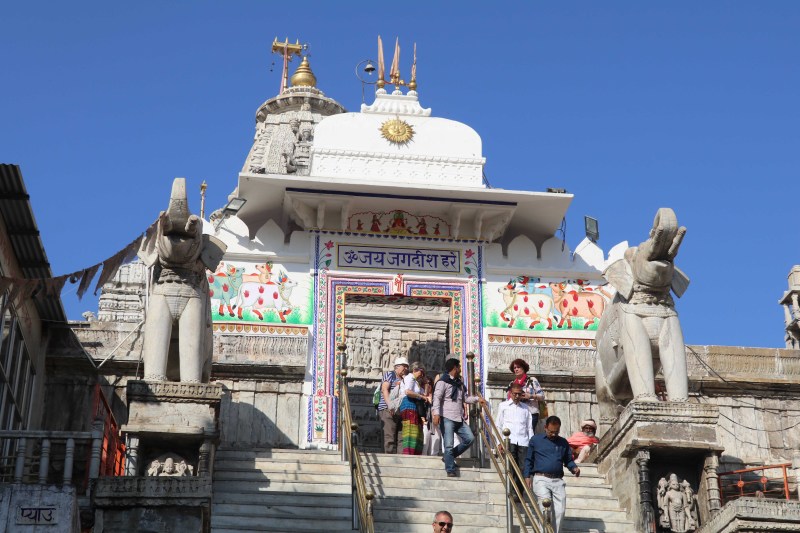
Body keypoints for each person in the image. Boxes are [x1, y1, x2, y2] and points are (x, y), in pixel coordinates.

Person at [524, 415, 580, 533]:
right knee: (546, 508)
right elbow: (529, 459)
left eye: (556, 432)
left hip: (558, 481)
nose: (554, 434)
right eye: (551, 432)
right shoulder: (535, 440)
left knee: (560, 511)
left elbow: (568, 460)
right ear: (545, 427)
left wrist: (574, 468)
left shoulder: (563, 442)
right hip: (541, 478)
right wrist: (527, 476)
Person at [431, 356, 486, 477]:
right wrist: (436, 414)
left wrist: (477, 399)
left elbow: (465, 398)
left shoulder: (459, 383)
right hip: (446, 417)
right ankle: (450, 468)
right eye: (459, 366)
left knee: (470, 438)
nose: (460, 368)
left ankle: (448, 457)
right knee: (449, 444)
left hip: (458, 417)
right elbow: (437, 398)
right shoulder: (443, 381)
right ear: (455, 368)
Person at [496, 383, 533, 499]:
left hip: (523, 441)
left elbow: (529, 427)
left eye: (519, 394)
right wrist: (499, 442)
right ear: (510, 393)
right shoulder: (503, 406)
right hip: (509, 440)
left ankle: (519, 492)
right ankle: (512, 491)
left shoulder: (526, 408)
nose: (516, 396)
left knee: (522, 467)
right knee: (511, 466)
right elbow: (498, 425)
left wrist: (532, 443)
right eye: (514, 393)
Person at [377, 356, 409, 453]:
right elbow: (384, 389)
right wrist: (390, 405)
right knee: (389, 436)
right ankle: (388, 458)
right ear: (397, 367)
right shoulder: (390, 375)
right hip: (388, 409)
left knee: (402, 437)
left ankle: (400, 460)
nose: (406, 369)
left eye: (407, 367)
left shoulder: (405, 378)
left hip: (401, 410)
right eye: (404, 366)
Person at [399, 362, 431, 455]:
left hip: (414, 407)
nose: (422, 375)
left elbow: (424, 395)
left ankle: (415, 453)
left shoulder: (416, 381)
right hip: (408, 405)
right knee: (410, 431)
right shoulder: (410, 377)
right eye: (422, 372)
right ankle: (409, 454)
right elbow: (408, 392)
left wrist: (425, 384)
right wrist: (420, 396)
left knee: (417, 432)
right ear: (415, 370)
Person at [507, 358, 545, 432]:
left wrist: (530, 396)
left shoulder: (532, 380)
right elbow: (508, 400)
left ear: (523, 368)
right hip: (517, 413)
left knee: (529, 434)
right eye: (514, 368)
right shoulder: (512, 384)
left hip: (531, 413)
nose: (516, 369)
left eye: (518, 367)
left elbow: (542, 396)